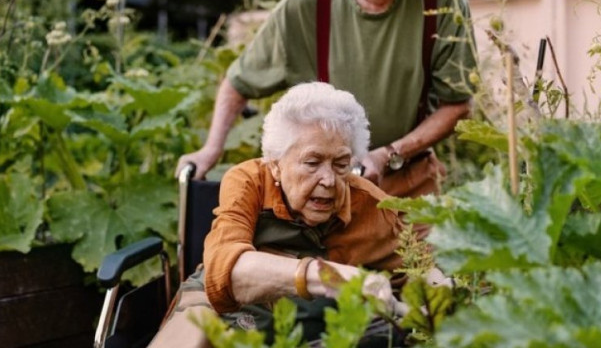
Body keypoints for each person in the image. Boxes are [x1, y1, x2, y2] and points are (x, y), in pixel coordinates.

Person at [178, 0, 477, 198]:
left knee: (427, 251)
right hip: (324, 188)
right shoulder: (310, 2)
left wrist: (390, 153)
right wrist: (211, 149)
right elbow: (239, 83)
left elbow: (458, 104)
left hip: (409, 179)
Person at [150, 82, 414, 347]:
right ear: (275, 165)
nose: (329, 180)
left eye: (341, 164)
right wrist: (339, 277)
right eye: (312, 163)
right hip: (225, 306)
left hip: (309, 324)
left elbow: (425, 271)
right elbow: (228, 273)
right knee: (193, 326)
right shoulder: (248, 181)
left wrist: (433, 299)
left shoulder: (374, 206)